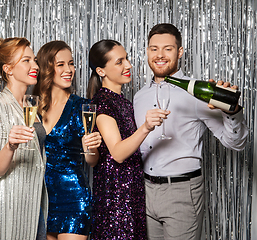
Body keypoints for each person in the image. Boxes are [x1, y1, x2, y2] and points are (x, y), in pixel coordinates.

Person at [133, 23, 249, 240]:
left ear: (180, 52)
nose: (159, 55)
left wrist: (231, 111)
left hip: (181, 192)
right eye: (153, 48)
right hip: (145, 190)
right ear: (147, 51)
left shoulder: (196, 92)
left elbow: (235, 143)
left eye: (167, 49)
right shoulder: (139, 96)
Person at [87, 39, 169, 240]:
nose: (128, 65)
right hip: (115, 198)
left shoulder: (122, 102)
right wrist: (146, 127)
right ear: (101, 71)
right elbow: (117, 153)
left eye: (127, 59)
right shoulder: (103, 103)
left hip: (131, 191)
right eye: (119, 62)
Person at [0, 37, 48, 240]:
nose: (35, 65)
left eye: (34, 60)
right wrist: (10, 146)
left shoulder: (32, 106)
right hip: (7, 207)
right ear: (8, 69)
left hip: (36, 206)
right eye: (26, 60)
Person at [33, 40, 101, 240]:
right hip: (40, 197)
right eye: (60, 64)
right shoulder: (33, 106)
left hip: (73, 197)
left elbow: (92, 161)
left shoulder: (83, 106)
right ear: (47, 68)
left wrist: (91, 148)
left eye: (71, 63)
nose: (69, 69)